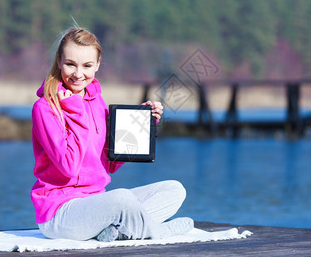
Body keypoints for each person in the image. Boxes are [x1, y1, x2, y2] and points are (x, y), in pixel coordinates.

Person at [30, 27, 193, 242]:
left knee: (174, 190)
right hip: (60, 214)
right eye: (70, 64)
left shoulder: (97, 102)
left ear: (98, 64)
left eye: (87, 66)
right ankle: (160, 232)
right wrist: (75, 109)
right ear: (59, 61)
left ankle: (117, 232)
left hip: (97, 205)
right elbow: (69, 166)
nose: (78, 74)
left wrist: (139, 125)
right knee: (122, 199)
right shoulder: (45, 108)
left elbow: (108, 163)